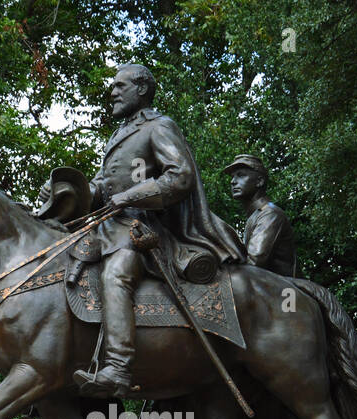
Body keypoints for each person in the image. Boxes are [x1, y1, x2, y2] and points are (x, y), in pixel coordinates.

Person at [39, 64, 244, 398]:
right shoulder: (120, 134)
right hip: (107, 225)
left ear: (142, 89)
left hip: (141, 226)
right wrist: (69, 192)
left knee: (115, 276)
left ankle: (118, 369)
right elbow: (103, 186)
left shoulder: (160, 126)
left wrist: (129, 196)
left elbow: (179, 176)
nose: (113, 92)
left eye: (120, 86)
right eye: (113, 86)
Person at [223, 154, 296, 277]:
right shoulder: (256, 216)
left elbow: (253, 264)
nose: (233, 181)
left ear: (259, 181)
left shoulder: (270, 214)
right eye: (232, 177)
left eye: (241, 175)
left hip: (284, 292)